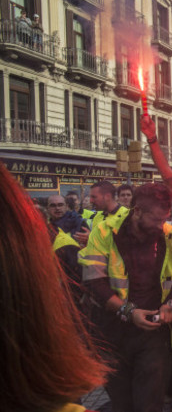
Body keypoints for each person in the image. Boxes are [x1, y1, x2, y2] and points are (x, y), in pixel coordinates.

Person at [0, 162, 107, 411]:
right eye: (53, 206)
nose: (57, 209)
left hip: (59, 311)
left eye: (61, 205)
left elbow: (81, 270)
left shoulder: (69, 233)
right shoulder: (41, 239)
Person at [79, 183, 172, 412]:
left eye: (165, 219)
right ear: (138, 211)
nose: (161, 225)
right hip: (112, 333)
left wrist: (170, 305)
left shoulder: (169, 235)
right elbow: (94, 281)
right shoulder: (103, 232)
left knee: (149, 403)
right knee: (122, 404)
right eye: (156, 220)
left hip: (153, 334)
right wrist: (128, 311)